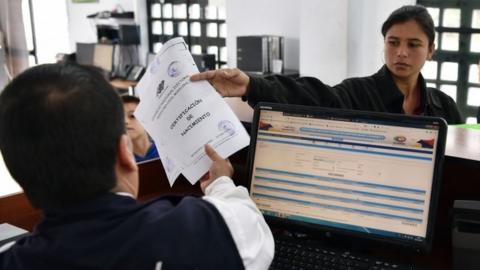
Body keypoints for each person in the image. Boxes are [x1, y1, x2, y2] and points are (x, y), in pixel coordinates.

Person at [0, 63, 274, 269]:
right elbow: (253, 227)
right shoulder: (202, 228)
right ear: (124, 151)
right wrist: (221, 182)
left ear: (19, 175)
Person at [191, 5, 463, 125]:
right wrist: (252, 84)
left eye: (413, 44)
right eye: (393, 42)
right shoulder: (359, 93)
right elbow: (312, 95)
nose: (401, 53)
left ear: (431, 51)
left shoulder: (444, 107)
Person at [121, 95, 160, 162]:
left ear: (146, 118)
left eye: (132, 116)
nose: (125, 121)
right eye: (120, 117)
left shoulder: (166, 152)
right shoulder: (118, 163)